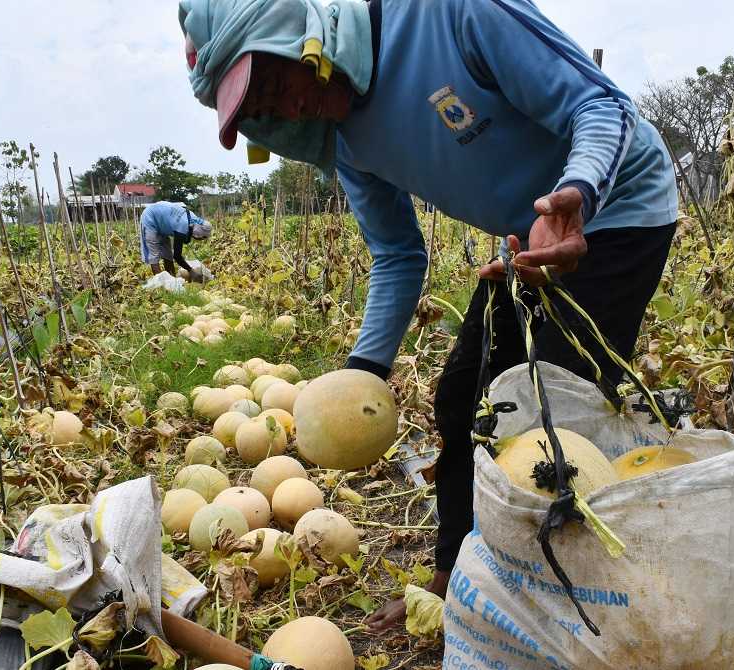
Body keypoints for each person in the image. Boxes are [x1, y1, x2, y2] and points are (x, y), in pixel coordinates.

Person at [179, 0, 678, 633]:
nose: (287, 109)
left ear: (301, 39)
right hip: (527, 241)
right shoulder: (349, 138)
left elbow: (601, 107)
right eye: (266, 109)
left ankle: (565, 607)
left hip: (618, 209)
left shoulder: (449, 14)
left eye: (278, 84)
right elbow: (396, 254)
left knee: (553, 418)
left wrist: (576, 192)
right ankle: (453, 578)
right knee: (460, 402)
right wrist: (361, 375)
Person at [140, 200, 212, 279]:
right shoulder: (183, 227)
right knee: (154, 256)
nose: (200, 240)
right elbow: (177, 256)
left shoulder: (194, 220)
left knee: (167, 255)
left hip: (162, 222)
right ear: (198, 234)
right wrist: (191, 271)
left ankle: (172, 279)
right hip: (150, 218)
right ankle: (161, 285)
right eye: (202, 238)